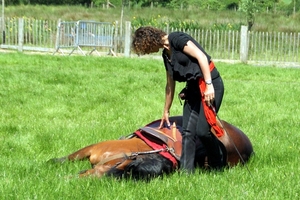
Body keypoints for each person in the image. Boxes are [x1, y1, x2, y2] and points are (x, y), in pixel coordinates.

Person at [132, 26, 225, 173]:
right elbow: (170, 84)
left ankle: (219, 161)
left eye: (145, 48)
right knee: (188, 132)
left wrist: (209, 85)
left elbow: (201, 57)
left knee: (202, 132)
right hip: (193, 90)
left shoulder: (176, 39)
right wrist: (166, 110)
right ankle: (186, 173)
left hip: (210, 85)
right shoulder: (166, 55)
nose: (146, 52)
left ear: (148, 41)